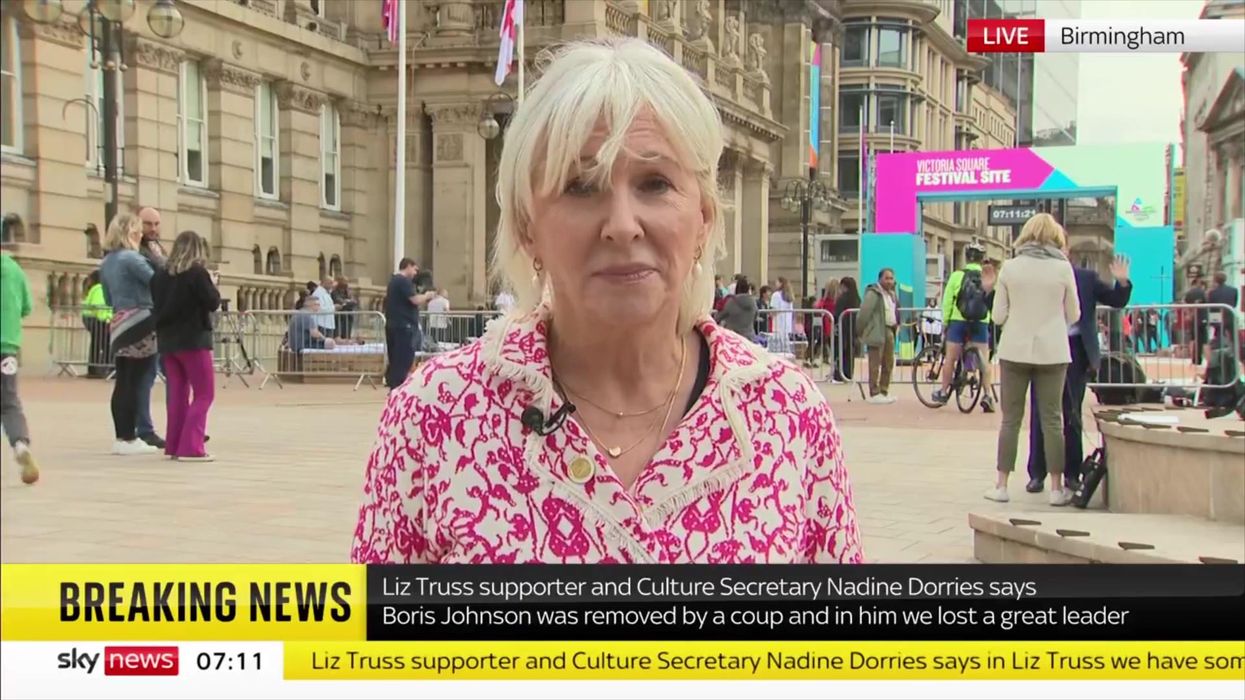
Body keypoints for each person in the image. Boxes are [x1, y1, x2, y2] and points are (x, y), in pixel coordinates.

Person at [351, 38, 862, 564]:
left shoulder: (786, 413)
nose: (622, 225)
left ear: (704, 219)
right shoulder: (434, 414)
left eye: (655, 183)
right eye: (580, 186)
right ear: (528, 228)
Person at [987, 213, 1079, 506]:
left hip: (1014, 349)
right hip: (1053, 350)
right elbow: (1074, 314)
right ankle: (1056, 488)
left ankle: (1002, 485)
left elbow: (998, 315)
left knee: (1010, 419)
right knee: (1052, 419)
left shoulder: (1010, 267)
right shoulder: (1063, 268)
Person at [1026, 252, 1131, 493]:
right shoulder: (1038, 277)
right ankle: (1037, 473)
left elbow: (1116, 300)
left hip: (1075, 348)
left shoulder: (1085, 278)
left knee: (1071, 412)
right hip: (1044, 347)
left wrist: (1122, 282)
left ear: (1067, 252)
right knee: (1041, 410)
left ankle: (1072, 473)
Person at [149, 231, 220, 463]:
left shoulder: (160, 276)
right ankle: (191, 447)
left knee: (178, 395)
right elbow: (212, 302)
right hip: (194, 340)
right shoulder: (197, 273)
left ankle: (174, 443)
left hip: (168, 340)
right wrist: (213, 283)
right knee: (204, 393)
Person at [99, 214, 160, 455]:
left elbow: (107, 297)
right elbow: (157, 282)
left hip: (119, 320)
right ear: (130, 233)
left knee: (123, 380)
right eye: (138, 231)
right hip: (140, 319)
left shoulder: (107, 261)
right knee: (137, 381)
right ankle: (130, 437)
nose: (141, 235)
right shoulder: (132, 259)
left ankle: (121, 436)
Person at [932, 242, 995, 412]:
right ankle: (987, 395)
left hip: (958, 321)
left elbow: (948, 301)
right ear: (982, 259)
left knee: (950, 358)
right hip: (981, 321)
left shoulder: (957, 276)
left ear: (966, 258)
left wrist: (946, 322)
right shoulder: (987, 277)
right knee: (984, 360)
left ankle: (943, 392)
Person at [0, 250, 40, 484]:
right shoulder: (14, 269)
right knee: (9, 402)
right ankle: (20, 444)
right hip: (8, 347)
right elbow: (26, 307)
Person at [134, 206, 167, 449]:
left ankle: (183, 426)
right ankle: (144, 429)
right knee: (145, 376)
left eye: (156, 224)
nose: (153, 229)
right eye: (148, 224)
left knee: (174, 374)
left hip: (164, 318)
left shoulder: (159, 248)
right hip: (146, 317)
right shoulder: (136, 252)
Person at [383, 258, 433, 391]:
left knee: (395, 359)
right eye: (415, 269)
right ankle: (398, 388)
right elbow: (415, 300)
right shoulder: (403, 281)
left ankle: (393, 387)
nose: (416, 273)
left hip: (393, 325)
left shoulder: (393, 281)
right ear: (408, 266)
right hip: (404, 326)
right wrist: (427, 296)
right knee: (403, 359)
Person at [857, 268, 899, 404]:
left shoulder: (892, 294)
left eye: (891, 278)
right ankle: (874, 392)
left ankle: (883, 390)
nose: (889, 281)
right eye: (887, 278)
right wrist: (860, 330)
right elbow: (864, 313)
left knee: (888, 362)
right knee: (875, 363)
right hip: (877, 331)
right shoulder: (873, 293)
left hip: (889, 330)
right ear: (880, 279)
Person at [81, 270, 113, 378]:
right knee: (103, 345)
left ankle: (97, 369)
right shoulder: (99, 288)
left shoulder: (97, 288)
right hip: (98, 320)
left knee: (98, 344)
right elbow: (99, 306)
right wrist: (105, 319)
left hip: (95, 319)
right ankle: (100, 369)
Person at [833, 277, 860, 383]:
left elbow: (837, 313)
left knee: (840, 351)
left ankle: (839, 374)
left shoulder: (842, 299)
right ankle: (848, 374)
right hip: (853, 329)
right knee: (850, 352)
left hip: (842, 329)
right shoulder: (857, 299)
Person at [1207, 271, 1239, 354]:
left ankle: (1219, 355)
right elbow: (1234, 304)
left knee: (1218, 336)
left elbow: (1210, 306)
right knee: (1233, 337)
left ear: (1215, 280)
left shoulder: (1212, 293)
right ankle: (1235, 354)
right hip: (1230, 314)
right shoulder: (1234, 290)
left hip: (1217, 316)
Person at [1183, 278, 1208, 365]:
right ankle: (1206, 359)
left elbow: (1185, 304)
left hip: (1193, 318)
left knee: (1193, 338)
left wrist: (1188, 314)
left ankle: (1193, 358)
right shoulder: (1202, 293)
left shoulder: (1188, 293)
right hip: (1202, 317)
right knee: (1204, 340)